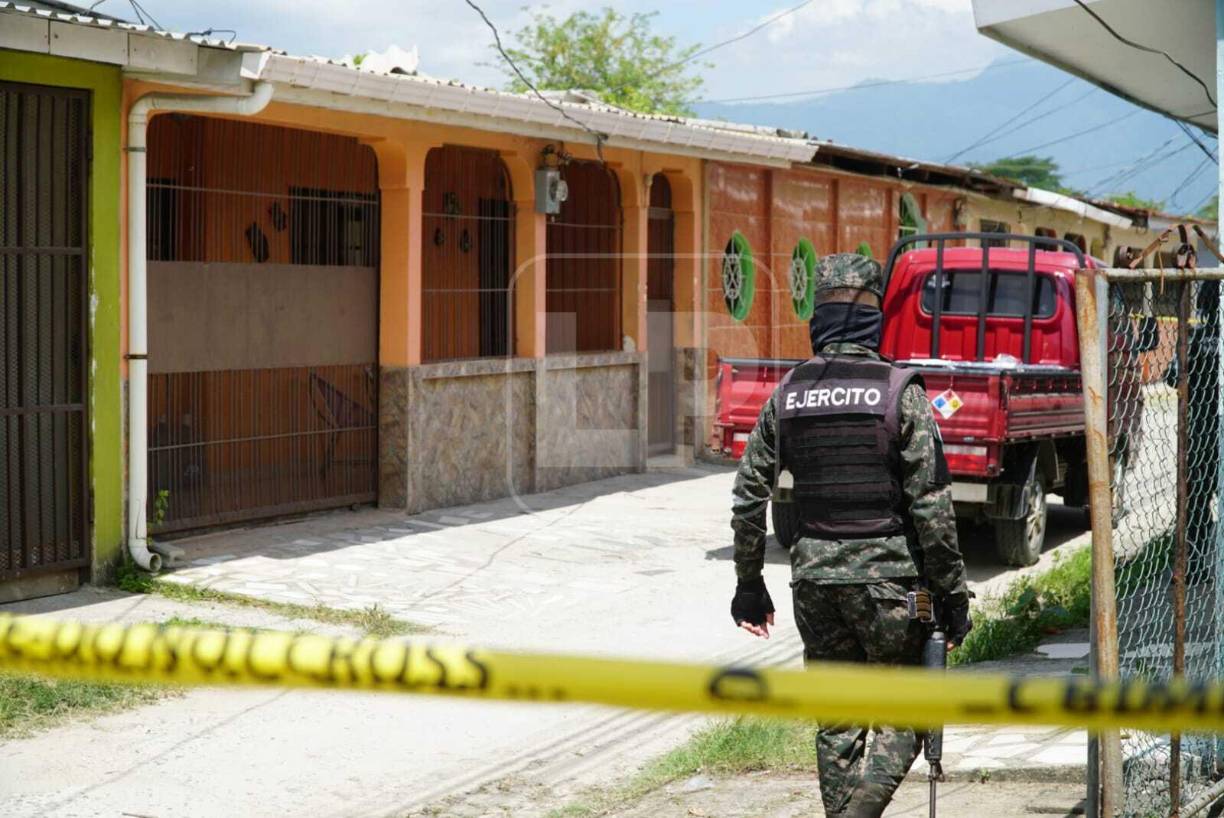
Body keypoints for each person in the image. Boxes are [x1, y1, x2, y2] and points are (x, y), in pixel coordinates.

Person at [729, 252, 972, 818]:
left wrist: (749, 584)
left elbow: (748, 498)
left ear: (819, 314)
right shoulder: (898, 391)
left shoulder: (787, 395)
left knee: (837, 721)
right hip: (892, 586)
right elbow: (933, 509)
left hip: (813, 584)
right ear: (874, 314)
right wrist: (953, 599)